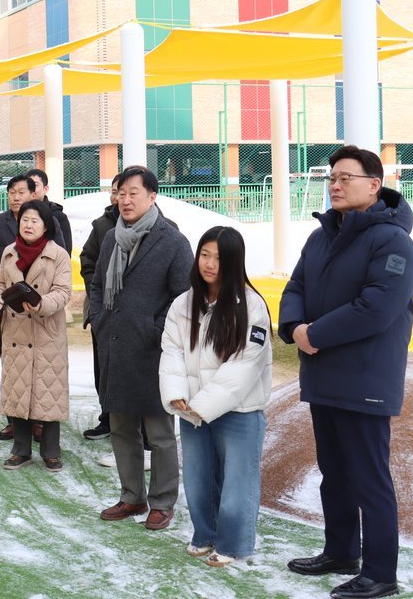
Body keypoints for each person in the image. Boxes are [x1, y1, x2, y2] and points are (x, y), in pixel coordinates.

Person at [279, 145, 413, 599]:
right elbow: (296, 286)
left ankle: (380, 573)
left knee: (369, 480)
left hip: (365, 379)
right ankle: (340, 551)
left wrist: (315, 334)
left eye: (345, 178)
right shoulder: (321, 236)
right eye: (331, 178)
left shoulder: (393, 241)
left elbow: (376, 308)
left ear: (374, 186)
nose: (335, 186)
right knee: (334, 474)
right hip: (324, 376)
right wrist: (295, 328)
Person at [160, 226, 273, 568]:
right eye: (204, 255)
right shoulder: (183, 303)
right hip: (192, 409)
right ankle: (205, 533)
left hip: (239, 411)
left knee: (238, 481)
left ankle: (233, 544)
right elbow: (172, 350)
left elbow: (246, 365)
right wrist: (177, 395)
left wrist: (202, 404)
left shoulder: (252, 307)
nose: (209, 264)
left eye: (219, 258)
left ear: (235, 262)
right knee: (197, 478)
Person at [90, 165, 192, 531]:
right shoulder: (112, 238)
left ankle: (162, 502)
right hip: (116, 346)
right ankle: (132, 495)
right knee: (121, 429)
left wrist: (155, 329)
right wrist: (99, 318)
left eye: (134, 193)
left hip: (153, 352)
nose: (126, 200)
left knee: (160, 434)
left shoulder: (173, 241)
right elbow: (97, 284)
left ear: (152, 196)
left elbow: (185, 297)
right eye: (121, 193)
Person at [0, 200, 72, 472]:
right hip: (16, 331)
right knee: (18, 390)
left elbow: (63, 292)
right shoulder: (9, 252)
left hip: (46, 332)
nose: (28, 225)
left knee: (49, 391)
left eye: (35, 220)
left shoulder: (58, 254)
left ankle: (51, 452)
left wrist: (40, 304)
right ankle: (20, 450)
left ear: (46, 226)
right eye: (25, 219)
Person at [0, 174, 65, 441]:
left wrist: (41, 303)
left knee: (44, 377)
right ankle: (17, 429)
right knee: (14, 374)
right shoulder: (0, 231)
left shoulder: (54, 239)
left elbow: (62, 284)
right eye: (12, 192)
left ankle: (42, 428)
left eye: (21, 191)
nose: (16, 196)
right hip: (12, 316)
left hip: (43, 320)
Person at [77, 172, 122, 440]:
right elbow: (87, 261)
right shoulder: (101, 226)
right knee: (103, 366)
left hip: (138, 316)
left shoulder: (164, 226)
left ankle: (140, 427)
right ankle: (107, 418)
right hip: (103, 310)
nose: (120, 198)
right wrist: (99, 294)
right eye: (116, 191)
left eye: (127, 192)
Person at [26, 167, 73, 254]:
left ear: (46, 189)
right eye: (28, 185)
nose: (31, 189)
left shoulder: (58, 216)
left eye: (35, 185)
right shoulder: (18, 214)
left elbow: (66, 252)